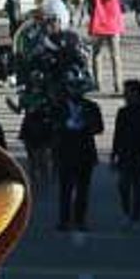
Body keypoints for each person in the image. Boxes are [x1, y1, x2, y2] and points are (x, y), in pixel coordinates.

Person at [52, 91, 104, 233]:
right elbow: (52, 128)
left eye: (79, 87)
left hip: (85, 153)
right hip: (65, 153)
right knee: (65, 189)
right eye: (72, 87)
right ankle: (64, 221)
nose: (76, 91)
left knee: (83, 190)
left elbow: (99, 128)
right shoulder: (59, 107)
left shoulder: (91, 106)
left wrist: (87, 123)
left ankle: (80, 221)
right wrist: (64, 126)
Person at [110, 80, 140, 230]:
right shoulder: (123, 112)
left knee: (138, 189)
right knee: (123, 186)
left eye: (128, 91)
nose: (125, 95)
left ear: (136, 92)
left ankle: (136, 217)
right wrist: (114, 154)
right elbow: (117, 134)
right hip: (124, 154)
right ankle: (127, 213)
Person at [87, 0, 125, 95]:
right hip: (113, 27)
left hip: (99, 26)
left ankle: (98, 83)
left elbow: (90, 9)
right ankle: (118, 84)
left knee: (97, 56)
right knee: (115, 57)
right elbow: (120, 8)